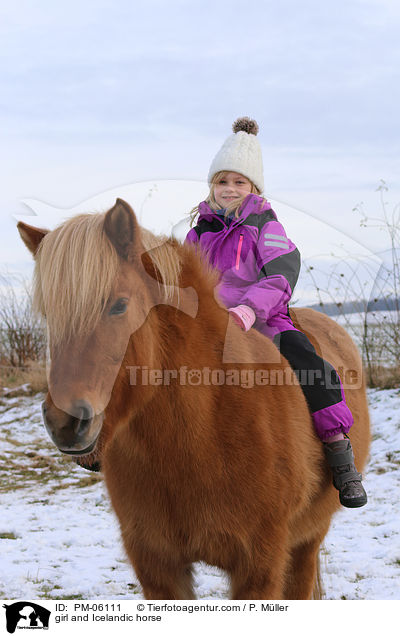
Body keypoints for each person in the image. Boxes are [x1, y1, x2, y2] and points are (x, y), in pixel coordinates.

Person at [185, 116, 367, 508]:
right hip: (210, 325)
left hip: (262, 321)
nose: (230, 189)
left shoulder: (266, 225)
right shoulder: (198, 232)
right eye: (223, 181)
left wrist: (249, 311)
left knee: (308, 363)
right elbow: (185, 280)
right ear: (212, 186)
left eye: (239, 182)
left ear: (253, 188)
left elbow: (282, 273)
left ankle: (339, 452)